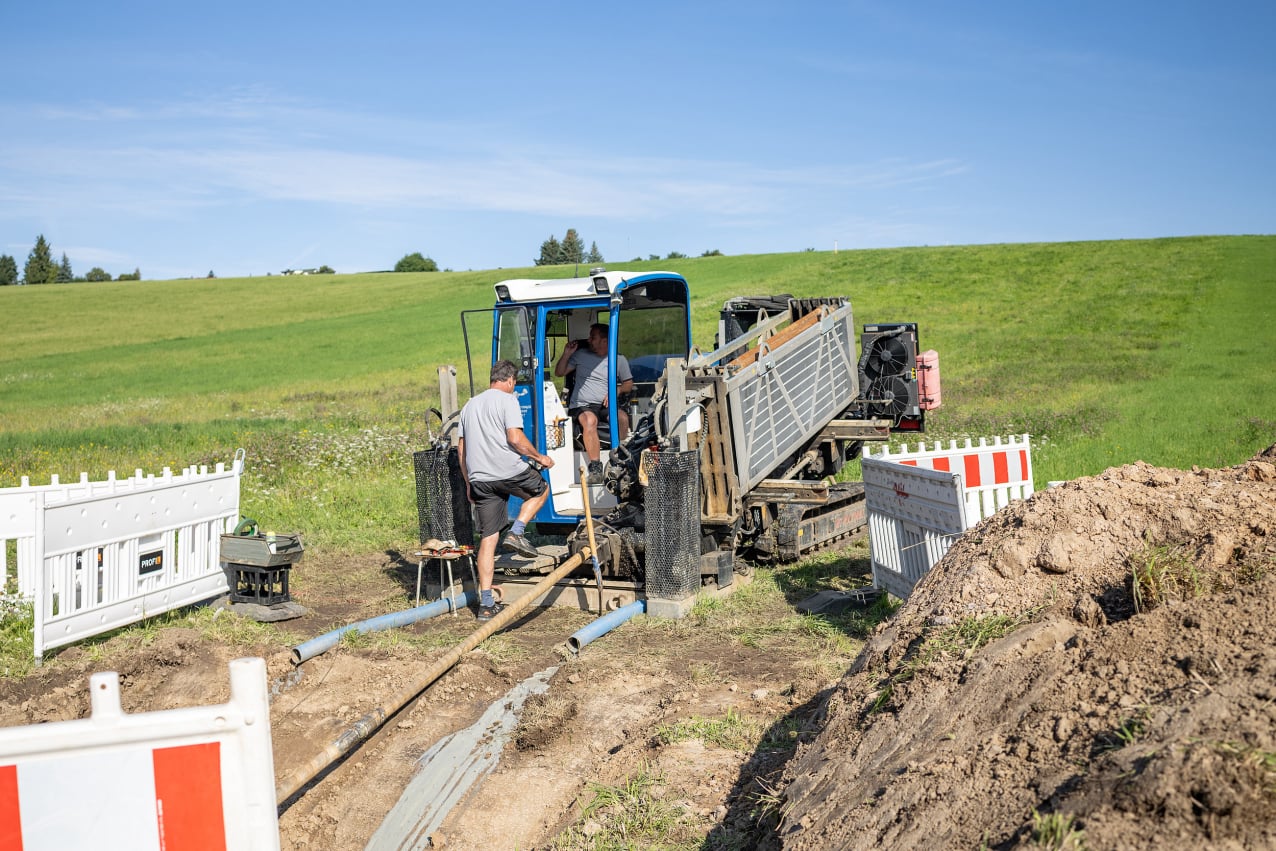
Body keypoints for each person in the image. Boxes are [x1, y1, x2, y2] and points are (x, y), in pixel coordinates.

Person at [457, 360, 554, 621]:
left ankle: (486, 604)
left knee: (488, 539)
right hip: (507, 470)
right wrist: (539, 457)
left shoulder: (469, 405)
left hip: (480, 478)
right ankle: (518, 531)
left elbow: (462, 450)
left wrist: (469, 483)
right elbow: (514, 438)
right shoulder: (507, 400)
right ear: (510, 380)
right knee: (541, 489)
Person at [554, 323, 633, 480]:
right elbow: (559, 372)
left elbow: (628, 384)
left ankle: (621, 460)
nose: (589, 340)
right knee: (590, 420)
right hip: (582, 405)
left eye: (593, 337)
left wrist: (616, 391)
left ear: (604, 341)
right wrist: (567, 354)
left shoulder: (619, 359)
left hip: (604, 405)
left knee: (622, 418)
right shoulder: (581, 355)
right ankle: (596, 468)